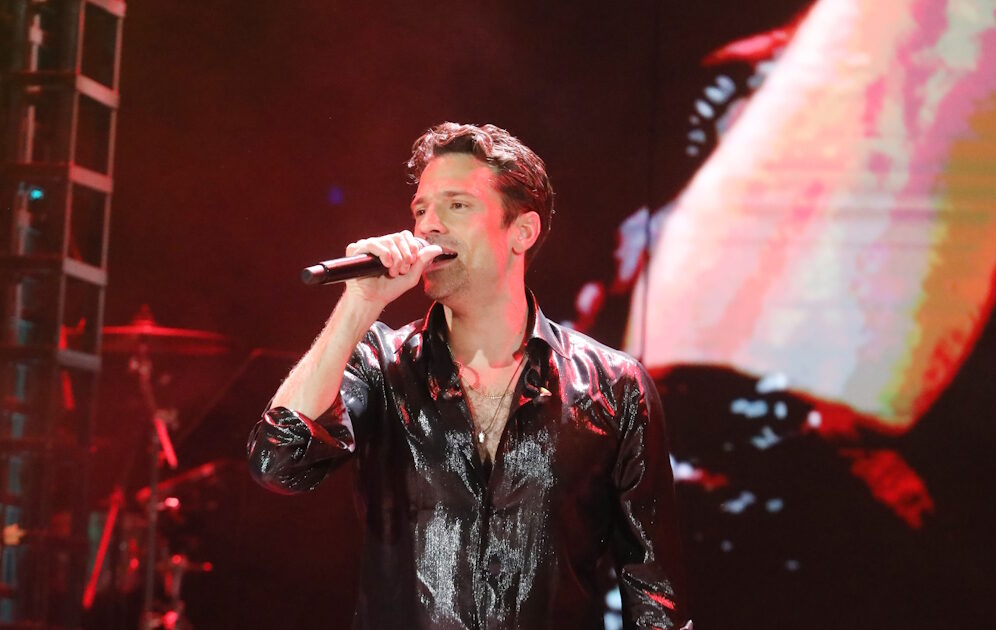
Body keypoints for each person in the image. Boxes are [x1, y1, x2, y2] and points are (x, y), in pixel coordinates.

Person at [248, 122, 690, 629]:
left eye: (457, 205)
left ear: (522, 231)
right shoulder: (379, 363)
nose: (428, 226)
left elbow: (656, 598)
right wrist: (359, 304)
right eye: (420, 210)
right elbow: (277, 461)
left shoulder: (614, 386)